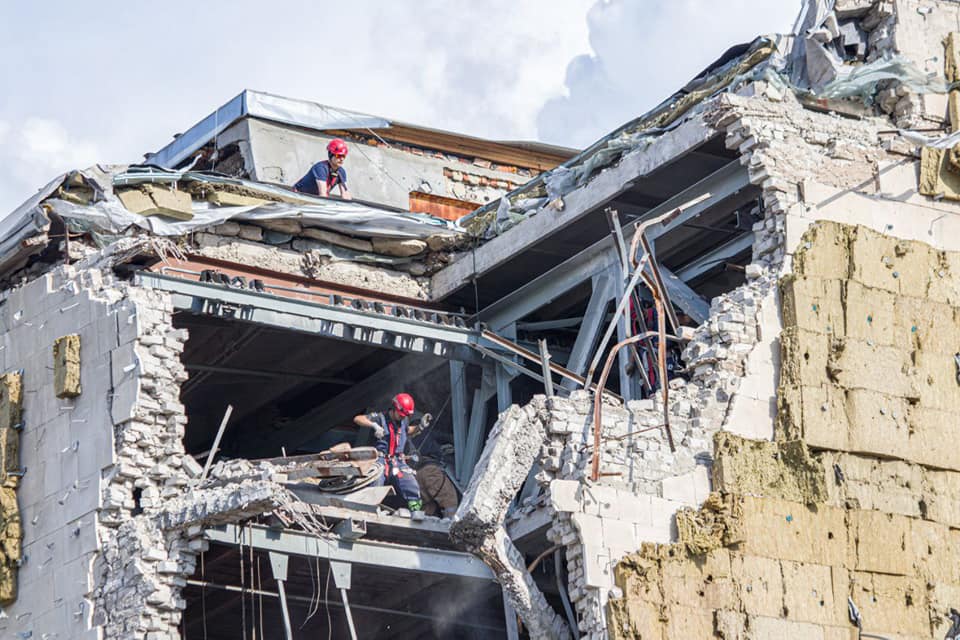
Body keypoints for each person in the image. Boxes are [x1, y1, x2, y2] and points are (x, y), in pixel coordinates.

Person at [353, 393, 424, 516]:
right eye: (401, 415)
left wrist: (420, 426)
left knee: (410, 484)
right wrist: (374, 426)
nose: (403, 418)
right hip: (380, 459)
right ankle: (369, 511)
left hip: (397, 461)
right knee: (375, 482)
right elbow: (358, 418)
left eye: (405, 416)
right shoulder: (380, 418)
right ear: (395, 408)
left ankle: (416, 512)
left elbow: (408, 432)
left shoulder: (404, 420)